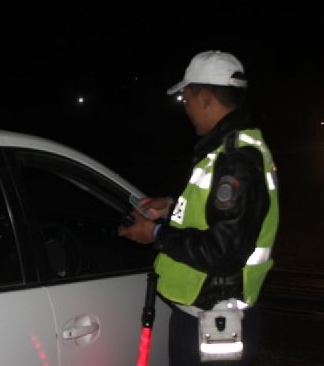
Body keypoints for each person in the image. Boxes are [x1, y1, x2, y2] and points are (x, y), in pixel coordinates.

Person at [118, 50, 279, 365]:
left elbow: (224, 251)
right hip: (203, 313)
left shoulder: (237, 159)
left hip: (217, 322)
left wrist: (156, 234)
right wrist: (169, 207)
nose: (186, 107)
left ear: (206, 98)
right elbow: (220, 216)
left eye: (187, 99)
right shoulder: (225, 152)